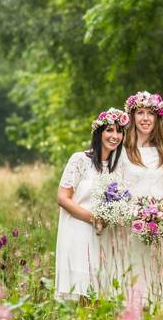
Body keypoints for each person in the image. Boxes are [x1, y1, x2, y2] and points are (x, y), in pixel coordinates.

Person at [55, 107, 129, 300]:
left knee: (100, 292)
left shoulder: (119, 166)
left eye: (119, 131)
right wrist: (93, 218)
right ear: (99, 133)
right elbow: (63, 198)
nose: (115, 136)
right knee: (82, 291)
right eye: (109, 130)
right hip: (80, 231)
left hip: (105, 236)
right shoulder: (80, 159)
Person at [118, 90, 163, 304]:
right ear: (132, 117)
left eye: (150, 113)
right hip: (130, 226)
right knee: (133, 280)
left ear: (158, 118)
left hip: (160, 227)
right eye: (140, 112)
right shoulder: (122, 150)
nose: (145, 118)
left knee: (159, 278)